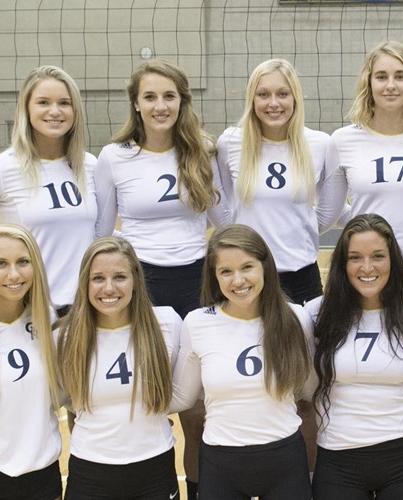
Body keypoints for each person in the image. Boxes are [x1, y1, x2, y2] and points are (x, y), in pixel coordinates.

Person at [94, 59, 231, 498]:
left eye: (169, 96)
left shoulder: (201, 151)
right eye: (150, 96)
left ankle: (197, 488)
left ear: (182, 101)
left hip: (195, 283)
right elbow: (100, 231)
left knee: (196, 410)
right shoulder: (114, 158)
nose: (160, 105)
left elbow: (223, 220)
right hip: (140, 286)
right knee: (140, 399)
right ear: (135, 103)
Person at [306, 213, 403, 500]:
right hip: (337, 456)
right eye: (355, 257)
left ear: (393, 261)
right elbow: (303, 392)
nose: (367, 267)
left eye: (378, 256)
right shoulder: (315, 314)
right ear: (342, 264)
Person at [170, 224, 313, 500]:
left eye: (247, 267)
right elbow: (181, 398)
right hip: (221, 464)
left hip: (285, 459)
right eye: (226, 271)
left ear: (265, 268)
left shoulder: (296, 318)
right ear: (214, 276)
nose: (238, 280)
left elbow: (308, 389)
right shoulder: (197, 322)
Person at [319, 40, 403, 301]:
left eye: (400, 76)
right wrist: (368, 223)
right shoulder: (342, 140)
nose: (390, 85)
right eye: (381, 76)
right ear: (368, 83)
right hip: (363, 266)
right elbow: (328, 214)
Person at [58, 237, 182, 499]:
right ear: (84, 283)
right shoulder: (65, 336)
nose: (109, 288)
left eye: (120, 277)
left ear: (135, 279)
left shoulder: (167, 324)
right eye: (98, 278)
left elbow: (180, 393)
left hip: (154, 464)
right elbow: (65, 397)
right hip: (90, 468)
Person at [217, 58, 330, 305]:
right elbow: (226, 206)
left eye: (282, 94)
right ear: (252, 99)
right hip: (245, 279)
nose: (273, 103)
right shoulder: (230, 142)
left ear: (295, 98)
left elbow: (328, 211)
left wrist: (300, 227)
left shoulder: (320, 144)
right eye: (263, 94)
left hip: (300, 276)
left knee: (307, 344)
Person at [0, 65, 96, 316]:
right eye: (43, 102)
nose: (55, 111)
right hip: (30, 310)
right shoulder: (6, 167)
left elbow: (100, 233)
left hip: (83, 311)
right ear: (26, 109)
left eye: (64, 103)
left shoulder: (90, 166)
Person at [0, 224, 61, 500]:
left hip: (42, 475)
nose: (14, 274)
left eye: (23, 262)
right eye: (2, 263)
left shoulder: (45, 318)